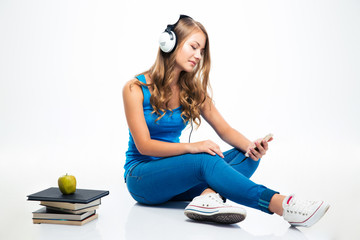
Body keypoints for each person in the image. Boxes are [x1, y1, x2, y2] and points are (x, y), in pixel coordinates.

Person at [122, 15, 329, 227]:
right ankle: (282, 204)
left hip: (178, 180)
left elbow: (225, 129)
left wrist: (252, 146)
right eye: (193, 47)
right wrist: (193, 148)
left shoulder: (193, 92)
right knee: (204, 157)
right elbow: (144, 145)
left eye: (201, 52)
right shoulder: (135, 89)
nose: (197, 56)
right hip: (142, 179)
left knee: (247, 156)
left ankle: (206, 197)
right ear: (170, 42)